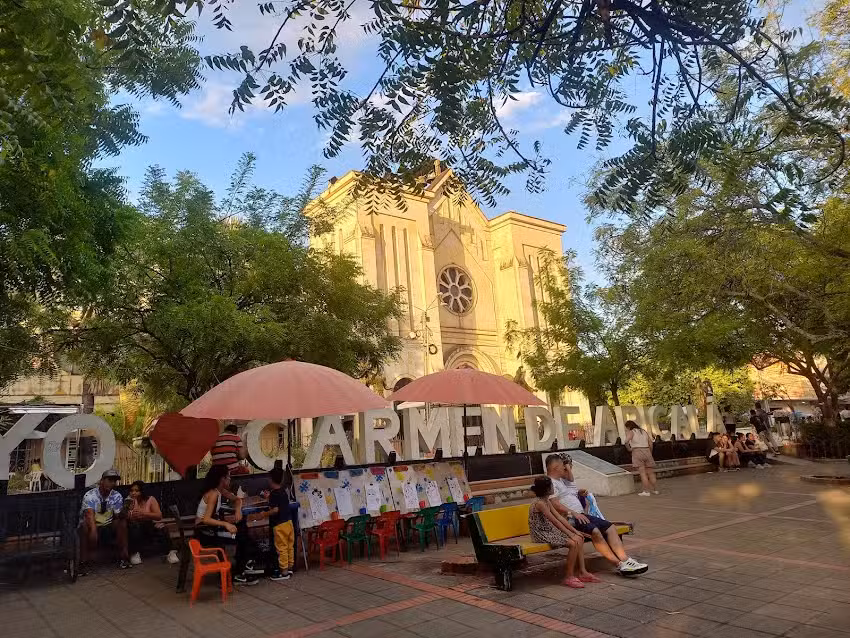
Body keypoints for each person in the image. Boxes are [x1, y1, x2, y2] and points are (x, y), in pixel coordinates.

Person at [546, 455, 647, 576]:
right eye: (563, 466)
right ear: (556, 467)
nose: (565, 468)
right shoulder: (549, 483)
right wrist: (573, 513)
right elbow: (555, 504)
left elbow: (569, 486)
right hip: (570, 519)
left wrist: (578, 493)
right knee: (595, 531)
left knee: (610, 527)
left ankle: (625, 560)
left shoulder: (560, 481)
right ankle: (619, 564)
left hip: (581, 515)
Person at [528, 476, 599, 589]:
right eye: (551, 486)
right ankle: (569, 576)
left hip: (550, 530)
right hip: (541, 533)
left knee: (579, 538)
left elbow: (560, 518)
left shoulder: (546, 501)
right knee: (573, 542)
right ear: (547, 489)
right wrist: (570, 534)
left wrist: (575, 531)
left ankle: (582, 571)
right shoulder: (540, 503)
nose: (553, 488)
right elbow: (555, 521)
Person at [195, 464, 261, 585]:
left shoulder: (220, 491)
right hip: (205, 532)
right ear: (222, 479)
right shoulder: (213, 494)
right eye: (228, 477)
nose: (230, 479)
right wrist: (226, 524)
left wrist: (238, 510)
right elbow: (206, 519)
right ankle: (241, 571)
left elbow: (238, 500)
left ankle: (242, 567)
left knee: (241, 529)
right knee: (241, 536)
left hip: (211, 530)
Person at [79, 468, 131, 572]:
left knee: (122, 523)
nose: (112, 483)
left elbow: (117, 516)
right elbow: (89, 515)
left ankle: (124, 556)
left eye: (114, 481)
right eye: (109, 480)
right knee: (84, 526)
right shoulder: (91, 495)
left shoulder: (116, 495)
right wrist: (93, 531)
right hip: (91, 524)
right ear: (102, 481)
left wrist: (125, 509)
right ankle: (83, 562)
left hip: (108, 524)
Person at [252, 467, 294, 581]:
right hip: (288, 523)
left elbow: (275, 510)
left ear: (270, 480)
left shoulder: (275, 494)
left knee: (281, 548)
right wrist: (268, 498)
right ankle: (290, 567)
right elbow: (279, 503)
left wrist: (264, 514)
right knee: (289, 546)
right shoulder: (283, 491)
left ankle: (284, 572)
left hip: (279, 525)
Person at [126, 480, 170, 565]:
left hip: (148, 525)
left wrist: (144, 514)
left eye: (136, 491)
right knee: (135, 527)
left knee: (162, 527)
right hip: (134, 527)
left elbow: (158, 516)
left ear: (142, 491)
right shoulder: (129, 500)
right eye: (131, 491)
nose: (133, 493)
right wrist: (131, 512)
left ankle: (170, 553)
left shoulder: (150, 499)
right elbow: (126, 515)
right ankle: (135, 554)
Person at [624, 420, 658, 496]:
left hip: (637, 451)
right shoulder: (643, 431)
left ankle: (646, 491)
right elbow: (651, 443)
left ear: (629, 427)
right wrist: (650, 452)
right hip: (647, 450)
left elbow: (626, 441)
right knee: (650, 472)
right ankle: (655, 490)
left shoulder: (632, 432)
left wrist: (629, 449)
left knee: (642, 473)